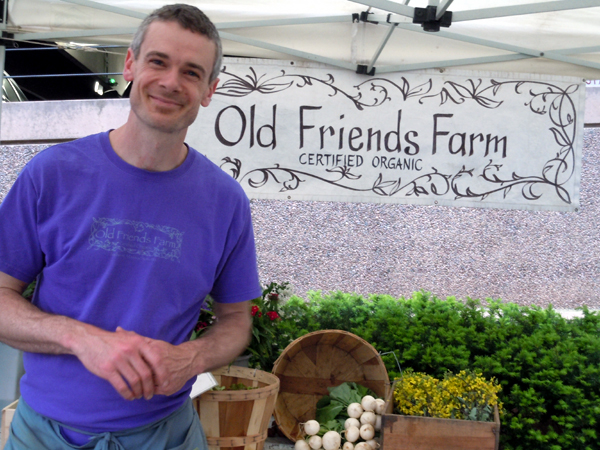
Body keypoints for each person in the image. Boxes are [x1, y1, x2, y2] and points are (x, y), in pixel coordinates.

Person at [0, 4, 262, 449]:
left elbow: (236, 319)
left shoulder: (225, 201)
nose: (171, 82)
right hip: (45, 435)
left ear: (209, 90)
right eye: (158, 61)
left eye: (192, 72)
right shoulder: (52, 174)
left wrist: (192, 357)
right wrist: (80, 339)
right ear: (130, 65)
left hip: (167, 435)